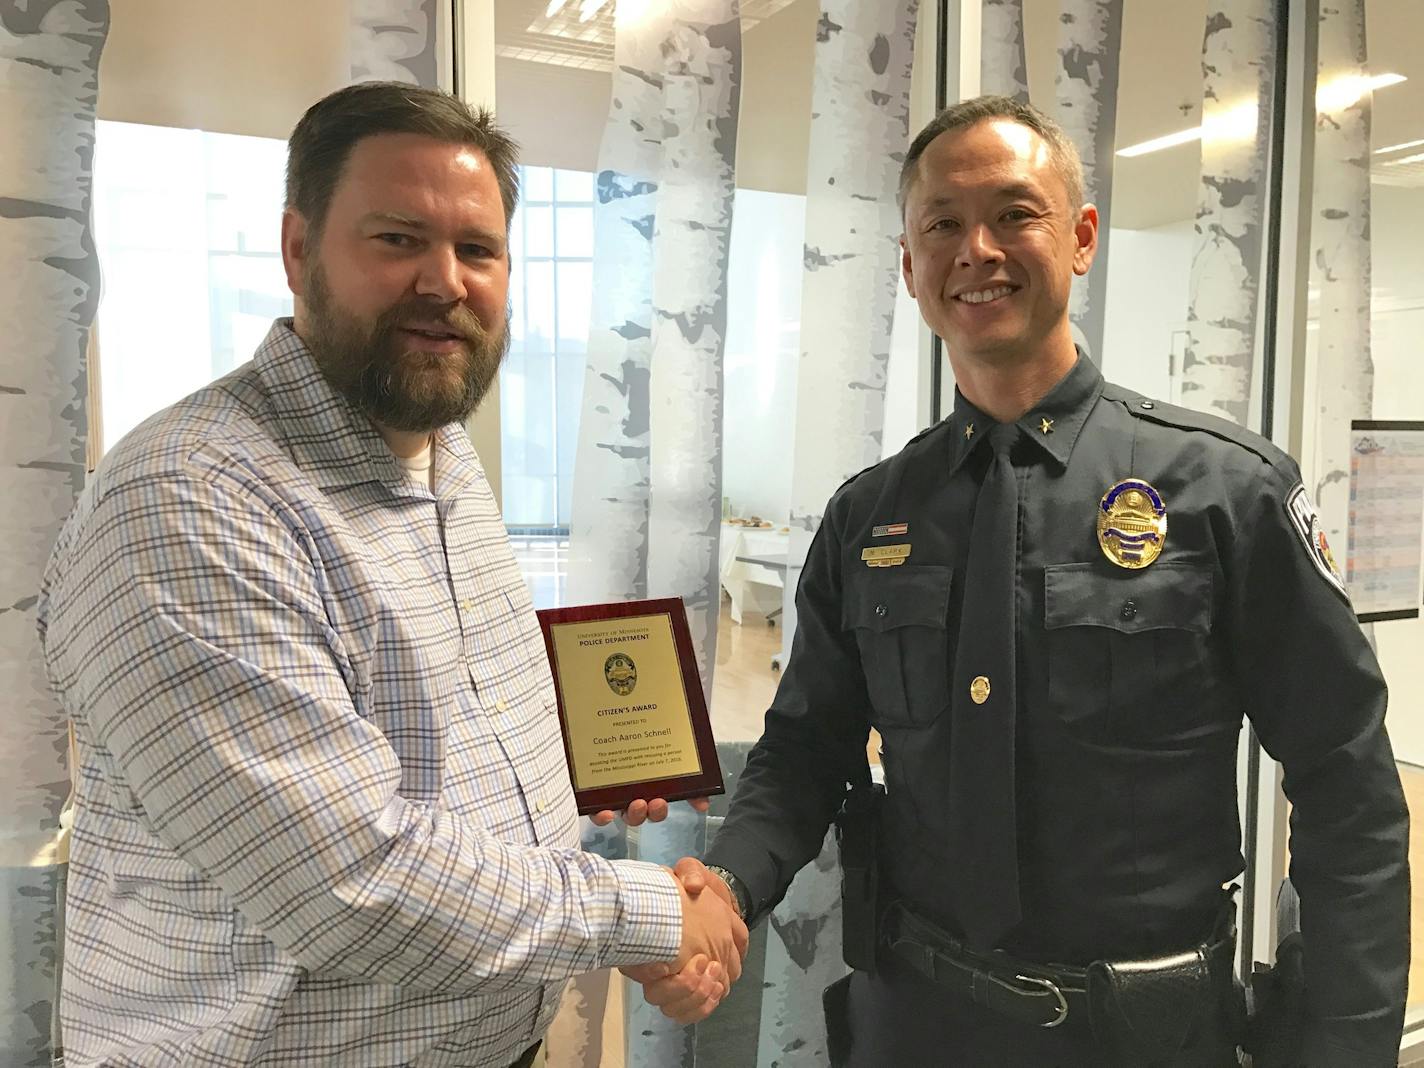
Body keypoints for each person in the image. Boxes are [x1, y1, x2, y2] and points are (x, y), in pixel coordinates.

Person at [660, 96, 1410, 1065]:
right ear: (908, 267)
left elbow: (1344, 785)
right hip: (915, 1028)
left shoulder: (1225, 494)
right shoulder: (868, 520)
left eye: (1013, 214)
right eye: (941, 224)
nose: (975, 248)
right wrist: (723, 889)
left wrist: (1344, 1046)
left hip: (1144, 1039)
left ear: (1081, 237)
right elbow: (803, 751)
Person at [37, 82, 745, 1068]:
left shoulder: (436, 448)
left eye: (477, 250)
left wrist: (579, 764)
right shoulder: (187, 503)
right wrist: (644, 915)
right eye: (396, 239)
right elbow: (351, 884)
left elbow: (430, 730)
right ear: (297, 251)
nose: (443, 281)